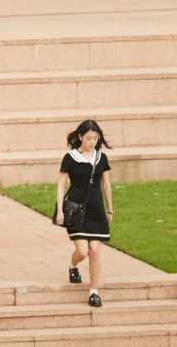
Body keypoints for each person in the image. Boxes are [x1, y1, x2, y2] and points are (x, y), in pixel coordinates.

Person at [55, 119, 113, 308]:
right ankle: (73, 266)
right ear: (80, 137)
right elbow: (61, 184)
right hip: (76, 210)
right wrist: (60, 209)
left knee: (94, 250)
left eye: (96, 138)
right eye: (89, 138)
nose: (92, 142)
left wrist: (109, 209)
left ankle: (94, 291)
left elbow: (106, 184)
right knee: (82, 251)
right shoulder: (70, 157)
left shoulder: (101, 158)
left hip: (96, 210)